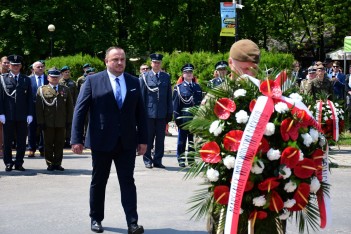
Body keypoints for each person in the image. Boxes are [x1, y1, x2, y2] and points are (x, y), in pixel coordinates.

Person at [71, 46, 147, 234]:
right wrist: (76, 139)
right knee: (99, 181)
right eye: (115, 59)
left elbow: (141, 114)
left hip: (127, 142)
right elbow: (80, 111)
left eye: (122, 59)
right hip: (101, 141)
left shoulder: (134, 81)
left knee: (127, 182)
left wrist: (144, 140)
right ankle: (96, 218)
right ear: (106, 61)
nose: (120, 62)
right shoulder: (92, 81)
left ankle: (132, 222)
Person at [0, 55, 33, 171]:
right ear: (9, 65)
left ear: (21, 66)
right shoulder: (3, 79)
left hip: (22, 115)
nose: (15, 67)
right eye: (13, 65)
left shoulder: (26, 79)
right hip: (8, 115)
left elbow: (29, 98)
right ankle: (8, 162)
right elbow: (1, 98)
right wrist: (1, 113)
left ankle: (19, 162)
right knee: (7, 141)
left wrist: (30, 114)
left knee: (21, 141)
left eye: (17, 65)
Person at [36, 68, 73, 171]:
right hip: (48, 123)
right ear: (48, 77)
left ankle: (57, 163)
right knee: (48, 144)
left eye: (56, 77)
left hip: (61, 122)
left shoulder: (65, 89)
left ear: (59, 77)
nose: (55, 79)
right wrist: (41, 122)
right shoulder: (42, 90)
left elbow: (70, 107)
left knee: (59, 144)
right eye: (52, 77)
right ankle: (50, 163)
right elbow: (39, 108)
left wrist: (69, 121)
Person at [139, 53, 173, 169]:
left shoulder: (166, 77)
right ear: (151, 63)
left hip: (162, 113)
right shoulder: (145, 77)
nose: (156, 64)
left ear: (161, 64)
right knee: (148, 138)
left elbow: (169, 96)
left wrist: (169, 111)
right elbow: (142, 97)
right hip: (148, 113)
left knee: (160, 139)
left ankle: (158, 160)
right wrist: (141, 113)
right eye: (154, 62)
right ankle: (147, 159)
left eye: (158, 63)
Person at [173, 64, 202, 167]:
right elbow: (176, 106)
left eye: (190, 72)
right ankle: (181, 159)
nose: (189, 74)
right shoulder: (179, 88)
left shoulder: (197, 87)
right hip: (183, 119)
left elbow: (200, 104)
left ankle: (191, 159)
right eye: (186, 72)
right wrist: (177, 120)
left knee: (192, 141)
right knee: (181, 141)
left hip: (195, 119)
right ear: (183, 74)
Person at [28, 61, 48, 157]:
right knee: (31, 128)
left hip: (46, 107)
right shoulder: (28, 79)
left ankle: (43, 148)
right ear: (33, 69)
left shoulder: (48, 79)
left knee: (44, 128)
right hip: (32, 108)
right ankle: (31, 148)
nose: (40, 68)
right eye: (38, 67)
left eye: (42, 67)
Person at [59, 65, 78, 148]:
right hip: (61, 107)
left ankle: (68, 139)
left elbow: (76, 95)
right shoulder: (59, 82)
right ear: (62, 73)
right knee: (62, 123)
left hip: (70, 106)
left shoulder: (72, 83)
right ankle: (61, 140)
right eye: (65, 72)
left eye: (68, 72)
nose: (67, 73)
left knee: (69, 123)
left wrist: (76, 106)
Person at [0, 56, 10, 157]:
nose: (6, 65)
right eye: (5, 63)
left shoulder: (9, 75)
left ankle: (3, 148)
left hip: (7, 105)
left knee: (4, 128)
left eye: (8, 63)